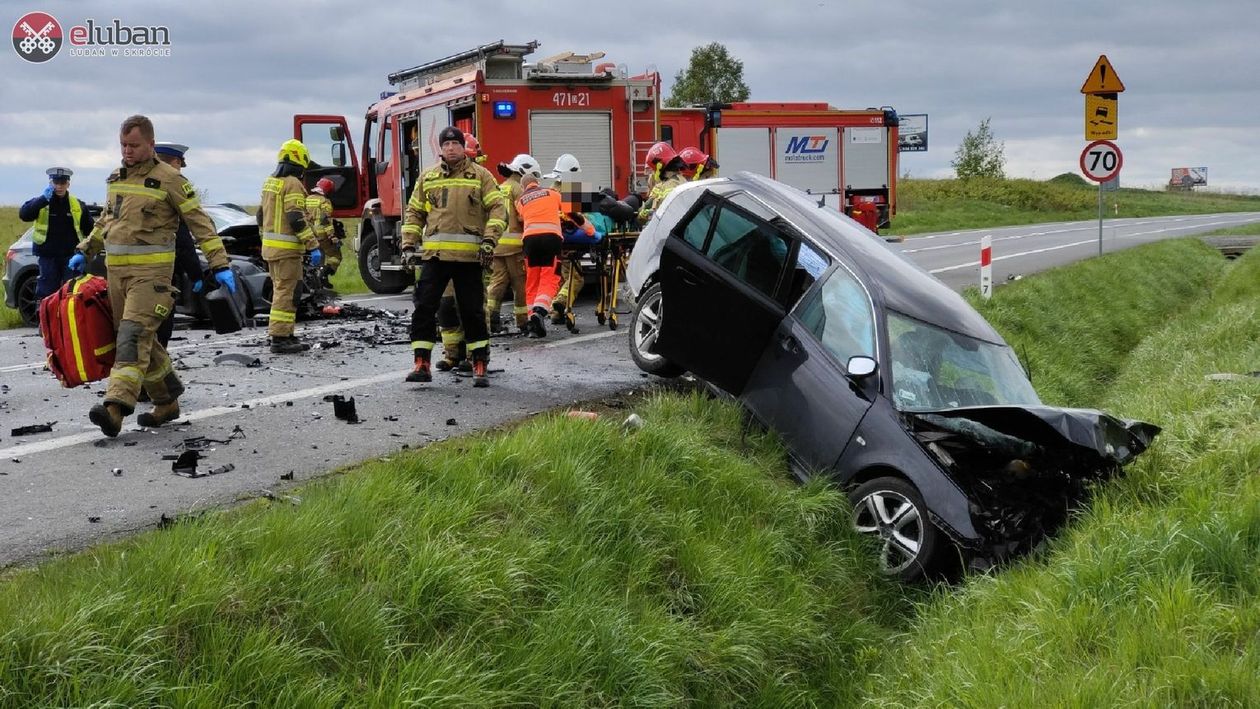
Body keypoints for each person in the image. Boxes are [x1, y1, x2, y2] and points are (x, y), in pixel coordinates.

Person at [70, 114, 236, 437]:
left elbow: (200, 222)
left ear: (150, 143)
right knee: (141, 338)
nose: (127, 151)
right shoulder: (116, 177)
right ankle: (168, 400)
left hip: (153, 279)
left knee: (131, 337)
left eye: (133, 145)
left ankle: (115, 409)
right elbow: (107, 220)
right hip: (118, 277)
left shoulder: (170, 179)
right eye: (122, 145)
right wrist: (86, 249)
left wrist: (220, 263)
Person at [400, 126, 506, 387]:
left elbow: (498, 209)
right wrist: (408, 244)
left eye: (455, 144)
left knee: (472, 311)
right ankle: (421, 363)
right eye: (446, 144)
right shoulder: (428, 177)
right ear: (440, 149)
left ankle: (479, 362)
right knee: (425, 308)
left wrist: (490, 240)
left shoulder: (481, 176)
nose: (450, 148)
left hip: (470, 259)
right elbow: (414, 213)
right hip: (435, 257)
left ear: (462, 147)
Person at [258, 139, 322, 354]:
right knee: (288, 293)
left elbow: (260, 215)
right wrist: (312, 245)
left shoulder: (270, 182)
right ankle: (280, 338)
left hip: (270, 250)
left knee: (281, 291)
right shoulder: (292, 183)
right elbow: (295, 217)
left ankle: (284, 333)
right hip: (287, 251)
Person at [515, 169, 593, 338]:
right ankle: (540, 312)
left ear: (523, 187)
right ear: (537, 182)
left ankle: (532, 324)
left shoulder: (520, 201)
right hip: (551, 241)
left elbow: (522, 218)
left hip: (529, 243)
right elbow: (574, 215)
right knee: (549, 279)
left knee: (532, 281)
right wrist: (590, 231)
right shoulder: (552, 193)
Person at [151, 142, 206, 350]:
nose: (179, 170)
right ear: (174, 162)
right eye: (179, 165)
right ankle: (156, 372)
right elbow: (182, 240)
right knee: (161, 323)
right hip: (163, 273)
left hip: (132, 273)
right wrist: (196, 274)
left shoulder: (140, 184)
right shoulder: (171, 189)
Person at [18, 167, 95, 302]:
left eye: (62, 183)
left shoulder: (77, 205)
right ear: (50, 183)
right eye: (56, 183)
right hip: (48, 257)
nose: (59, 186)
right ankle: (46, 323)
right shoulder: (41, 202)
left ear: (68, 184)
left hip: (71, 258)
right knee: (47, 296)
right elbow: (24, 215)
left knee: (72, 296)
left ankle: (68, 323)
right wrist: (42, 199)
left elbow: (91, 231)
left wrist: (85, 253)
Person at [487, 154, 536, 334]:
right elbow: (524, 216)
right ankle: (522, 322)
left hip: (497, 245)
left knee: (497, 282)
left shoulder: (500, 188)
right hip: (514, 247)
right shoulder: (518, 190)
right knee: (520, 284)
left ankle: (491, 319)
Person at [306, 177, 342, 288]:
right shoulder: (325, 202)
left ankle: (318, 282)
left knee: (318, 258)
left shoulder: (307, 199)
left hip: (310, 234)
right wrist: (332, 236)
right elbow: (325, 220)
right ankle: (324, 274)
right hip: (322, 234)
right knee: (336, 256)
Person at [638, 146, 687, 224]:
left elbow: (642, 216)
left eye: (653, 171)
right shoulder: (682, 181)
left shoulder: (665, 187)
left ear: (658, 168)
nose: (651, 175)